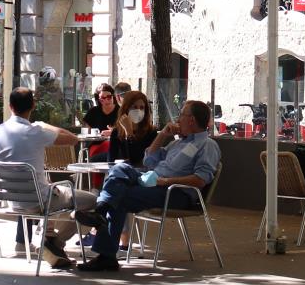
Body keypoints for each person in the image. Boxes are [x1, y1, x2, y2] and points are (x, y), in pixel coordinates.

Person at [75, 100, 221, 272]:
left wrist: (166, 181)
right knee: (120, 169)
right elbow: (149, 160)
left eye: (181, 114)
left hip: (175, 193)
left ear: (192, 120)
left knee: (119, 197)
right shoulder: (178, 142)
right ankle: (101, 211)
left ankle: (105, 251)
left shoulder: (207, 145)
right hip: (153, 181)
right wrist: (162, 135)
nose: (178, 119)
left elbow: (200, 179)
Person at [0, 87, 97, 269]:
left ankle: (48, 236)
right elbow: (72, 139)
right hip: (39, 200)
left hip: (10, 200)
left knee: (56, 191)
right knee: (93, 201)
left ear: (10, 106)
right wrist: (46, 125)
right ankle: (55, 243)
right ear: (33, 105)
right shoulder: (36, 131)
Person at [108, 90, 158, 250]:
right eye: (135, 107)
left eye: (142, 107)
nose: (139, 110)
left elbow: (138, 159)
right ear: (126, 109)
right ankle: (121, 241)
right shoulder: (116, 132)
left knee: (116, 193)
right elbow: (111, 160)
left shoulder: (151, 133)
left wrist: (130, 134)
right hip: (120, 175)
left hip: (142, 175)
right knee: (114, 187)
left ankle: (116, 238)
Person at [83, 83, 119, 164]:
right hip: (96, 144)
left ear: (113, 96)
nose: (106, 100)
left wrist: (114, 132)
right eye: (103, 98)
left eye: (109, 97)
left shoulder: (121, 111)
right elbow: (86, 132)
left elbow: (127, 130)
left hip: (115, 145)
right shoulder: (93, 112)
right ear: (98, 99)